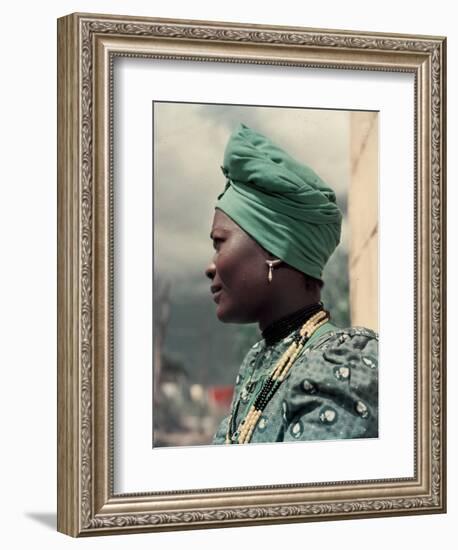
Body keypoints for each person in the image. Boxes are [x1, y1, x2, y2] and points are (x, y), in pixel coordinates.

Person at [205, 123, 378, 445]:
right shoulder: (262, 359)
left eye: (219, 242)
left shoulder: (340, 368)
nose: (210, 266)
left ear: (275, 249)